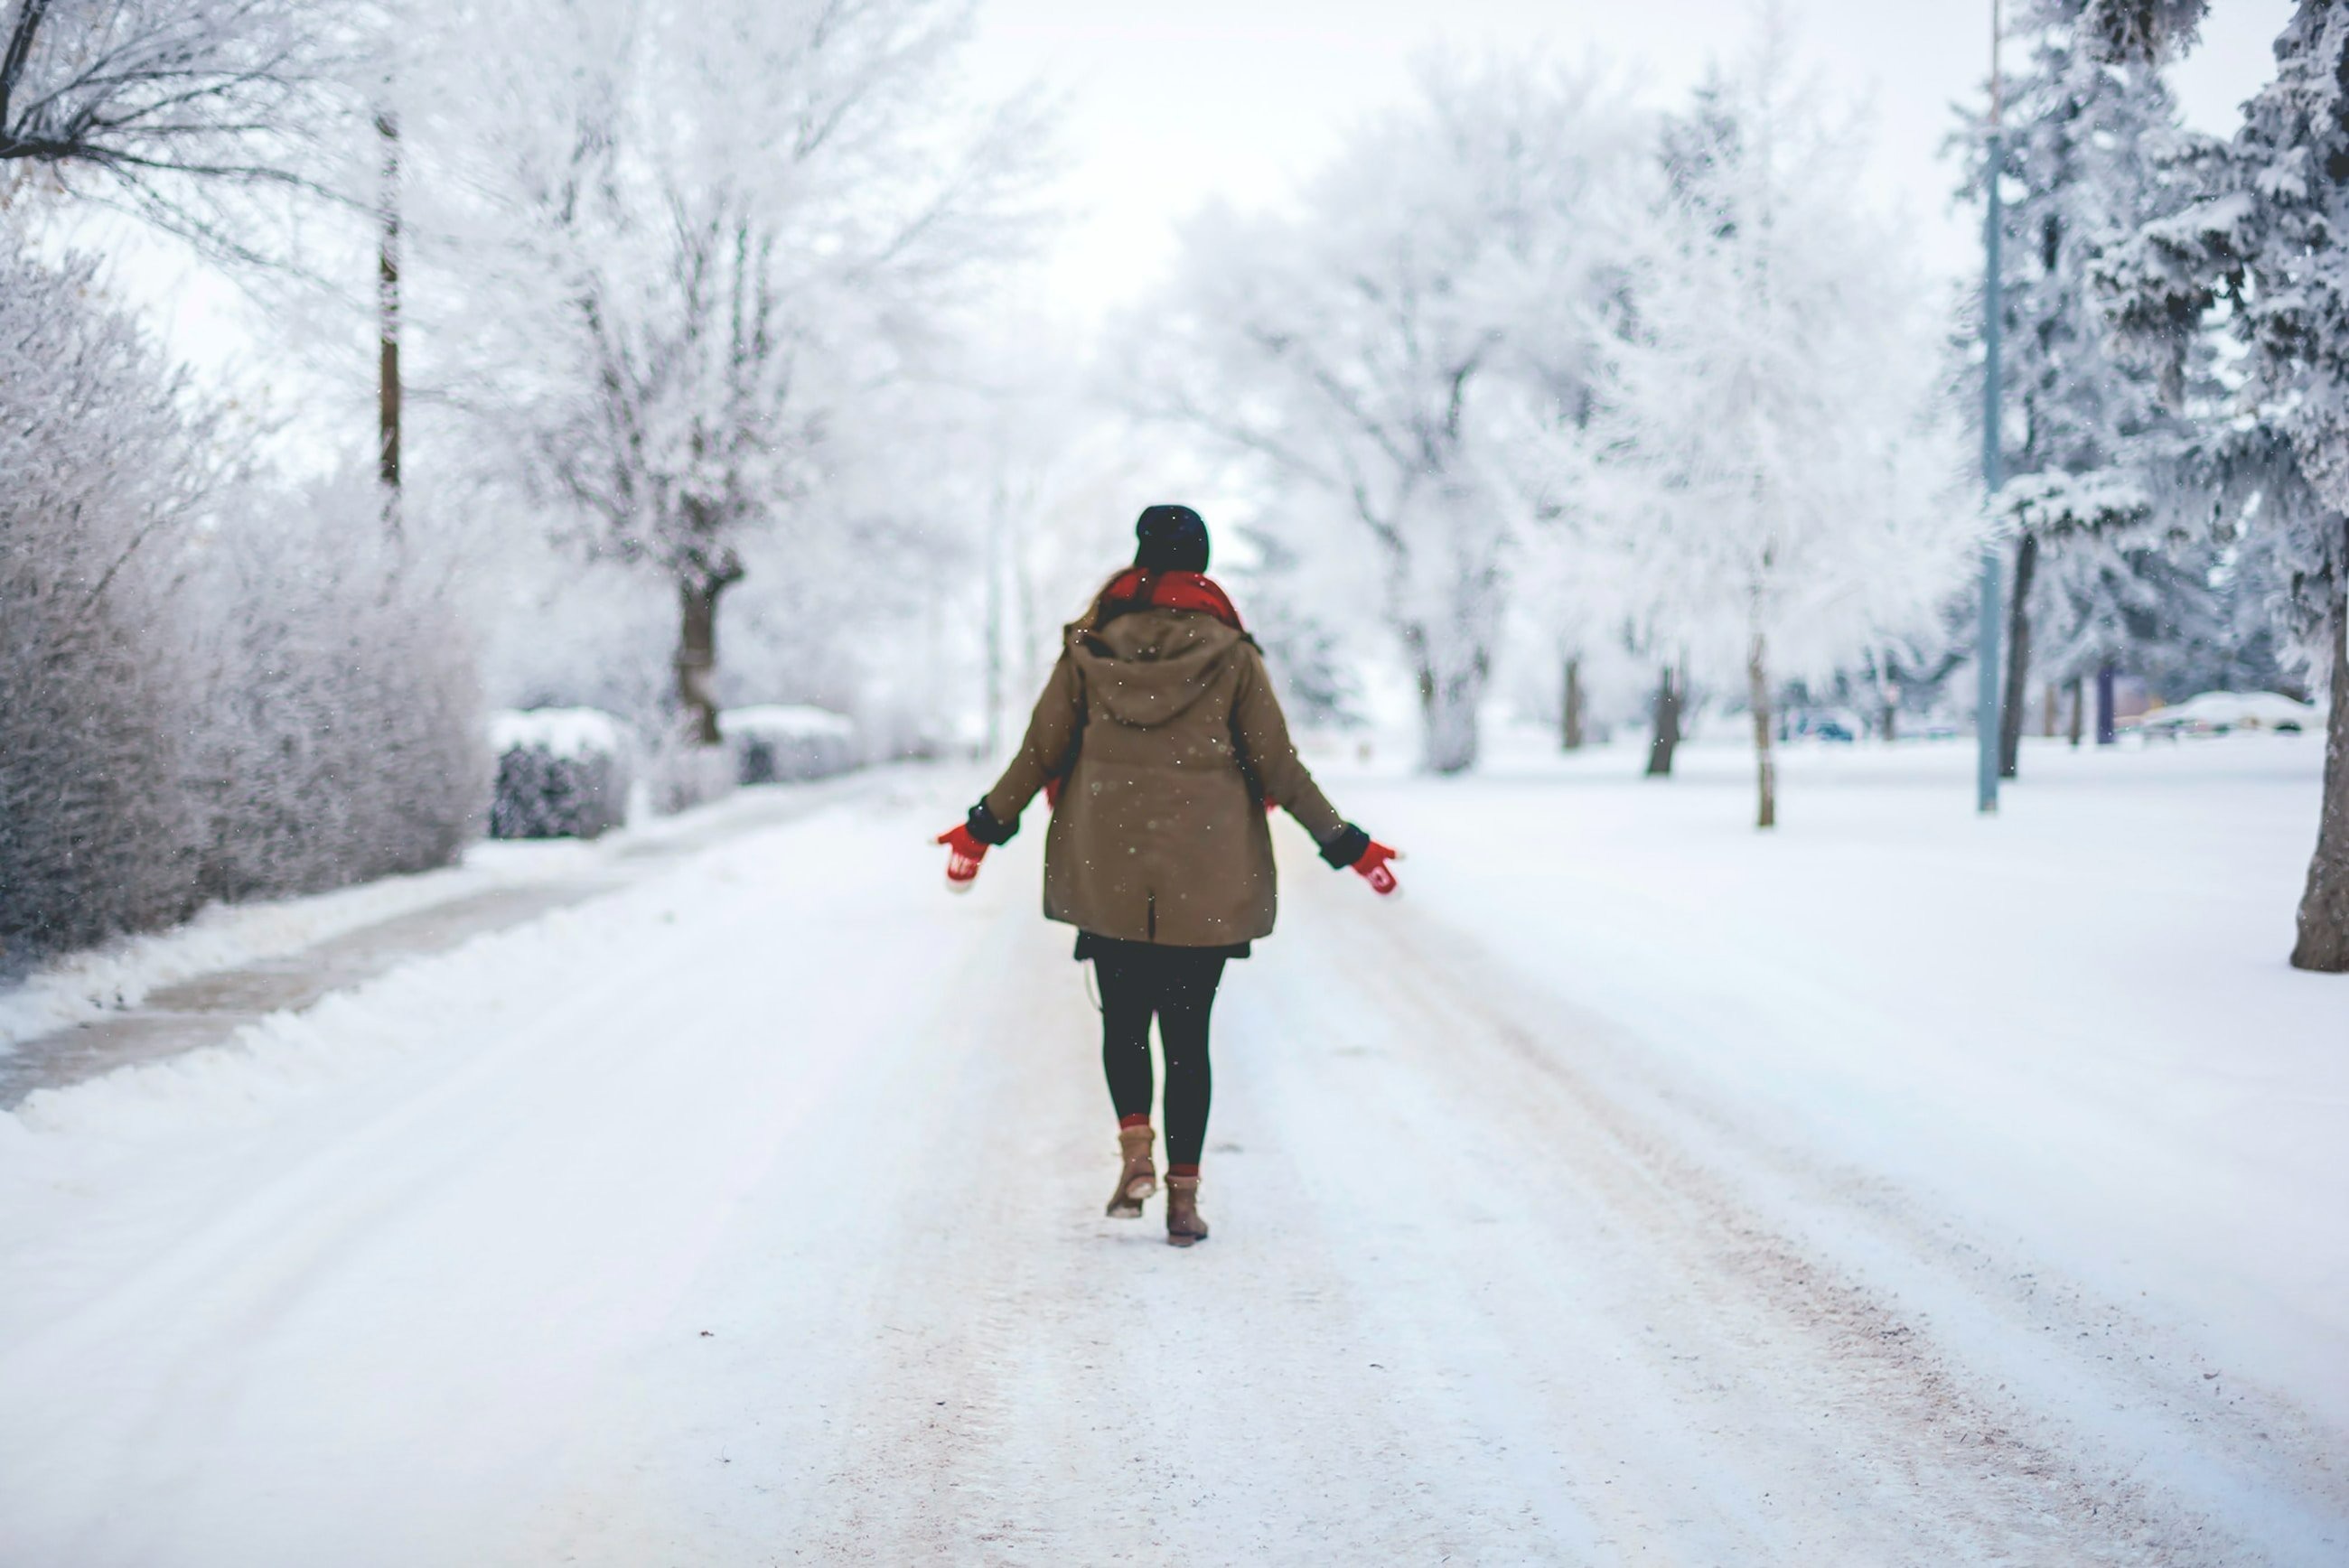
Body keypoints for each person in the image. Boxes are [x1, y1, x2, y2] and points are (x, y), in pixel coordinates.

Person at [936, 504, 1399, 1247]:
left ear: (1142, 560)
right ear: (1202, 566)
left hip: (1105, 866)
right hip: (1206, 875)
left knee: (1123, 1022)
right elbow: (1278, 766)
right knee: (1188, 1039)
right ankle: (1183, 1203)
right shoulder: (1233, 655)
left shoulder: (1090, 648)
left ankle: (1136, 1153)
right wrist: (1349, 845)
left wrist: (984, 827)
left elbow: (1039, 752)